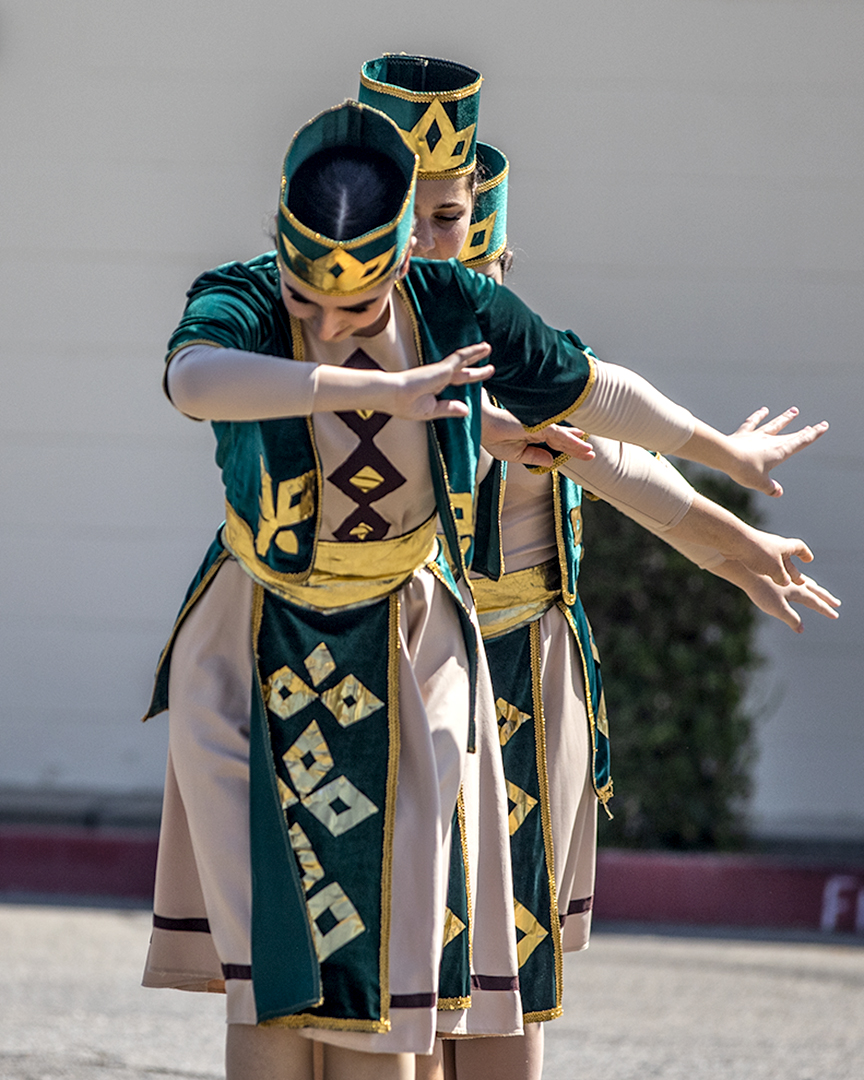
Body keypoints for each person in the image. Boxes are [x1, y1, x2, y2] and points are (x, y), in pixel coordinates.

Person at [143, 96, 827, 1080]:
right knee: (283, 977)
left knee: (432, 978)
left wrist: (725, 467)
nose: (336, 315)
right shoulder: (246, 299)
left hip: (436, 657)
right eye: (313, 294)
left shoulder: (470, 320)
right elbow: (195, 379)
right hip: (265, 645)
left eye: (446, 218)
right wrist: (369, 390)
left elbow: (602, 428)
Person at [358, 55, 838, 1080]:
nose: (440, 253)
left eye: (457, 227)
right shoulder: (348, 344)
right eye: (421, 224)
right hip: (396, 667)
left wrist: (738, 543)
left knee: (505, 974)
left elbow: (626, 466)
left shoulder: (525, 357)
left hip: (520, 688)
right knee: (402, 966)